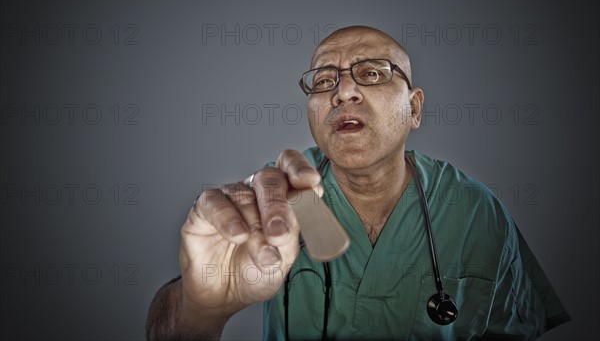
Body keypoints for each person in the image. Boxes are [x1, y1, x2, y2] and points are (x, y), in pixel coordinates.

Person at [145, 26, 570, 340]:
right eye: (325, 81)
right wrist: (200, 306)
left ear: (415, 108)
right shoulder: (273, 206)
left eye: (371, 73)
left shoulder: (476, 211)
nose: (343, 91)